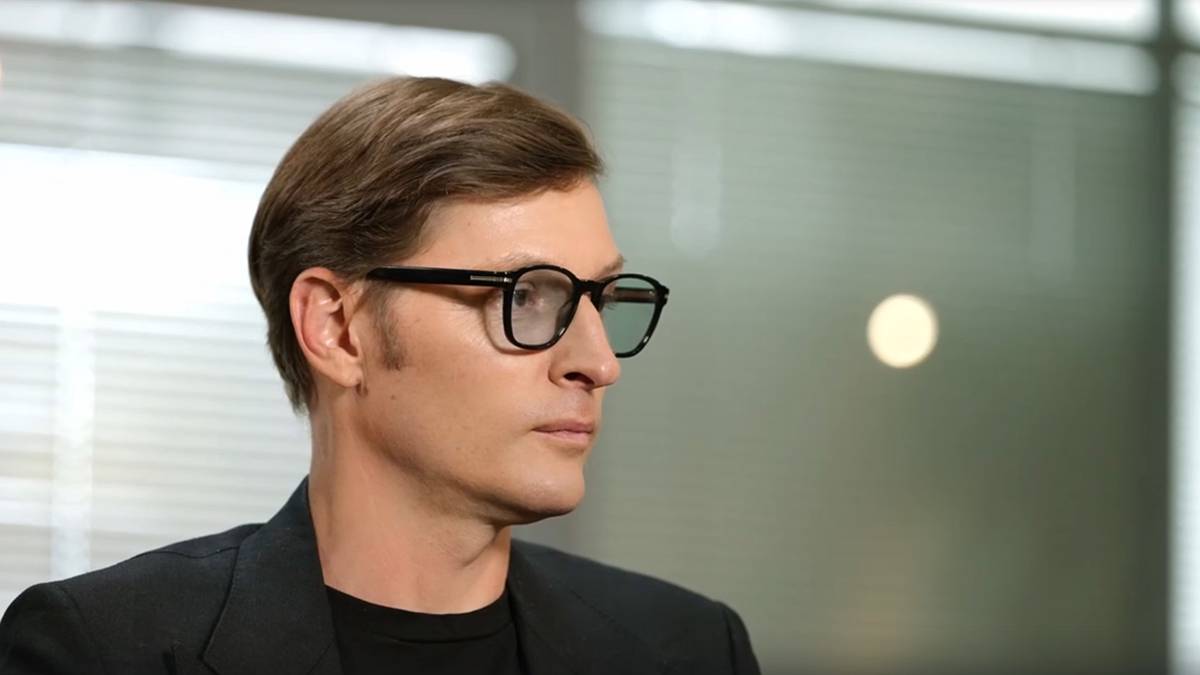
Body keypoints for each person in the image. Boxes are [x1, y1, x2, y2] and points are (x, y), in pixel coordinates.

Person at [0, 76, 760, 674]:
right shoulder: (101, 649)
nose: (598, 363)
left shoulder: (689, 648)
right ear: (337, 330)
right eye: (527, 296)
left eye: (602, 300)